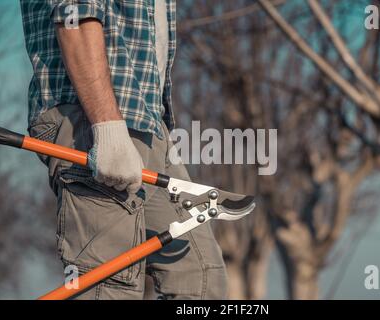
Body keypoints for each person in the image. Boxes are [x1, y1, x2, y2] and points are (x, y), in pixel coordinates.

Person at [19, 0, 227, 300]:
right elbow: (74, 13)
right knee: (109, 288)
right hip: (92, 119)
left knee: (202, 280)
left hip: (150, 126)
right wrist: (107, 128)